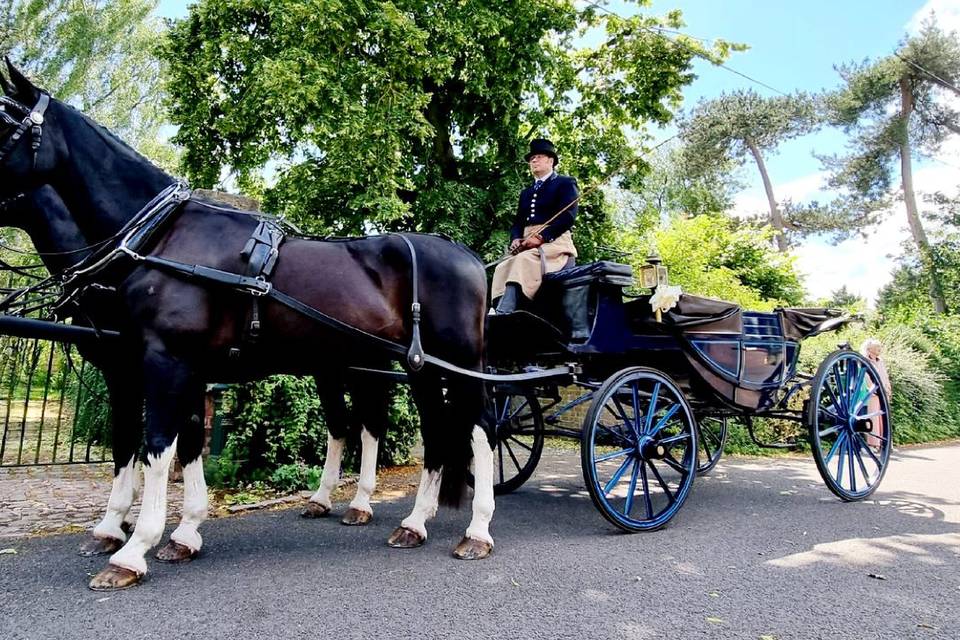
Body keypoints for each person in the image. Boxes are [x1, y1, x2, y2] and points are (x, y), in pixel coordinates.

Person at [491, 138, 578, 314]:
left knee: (522, 261)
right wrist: (516, 238)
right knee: (502, 266)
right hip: (527, 243)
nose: (534, 161)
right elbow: (518, 222)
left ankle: (505, 311)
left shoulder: (565, 183)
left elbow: (567, 217)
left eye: (538, 157)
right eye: (531, 159)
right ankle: (495, 308)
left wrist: (542, 237)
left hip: (555, 243)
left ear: (550, 161)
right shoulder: (527, 193)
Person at [860, 338, 892, 451]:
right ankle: (873, 444)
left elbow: (885, 375)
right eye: (877, 347)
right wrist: (871, 389)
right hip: (872, 392)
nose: (879, 349)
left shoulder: (880, 361)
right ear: (869, 348)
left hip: (883, 391)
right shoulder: (864, 360)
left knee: (884, 417)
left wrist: (888, 387)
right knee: (873, 417)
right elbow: (864, 376)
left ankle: (885, 442)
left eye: (880, 347)